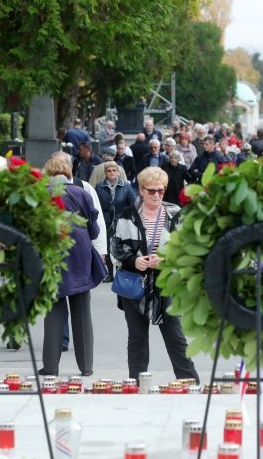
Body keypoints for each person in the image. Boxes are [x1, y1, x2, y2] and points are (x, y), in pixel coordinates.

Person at [111, 167, 200, 381]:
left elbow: (187, 247)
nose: (157, 195)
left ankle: (189, 381)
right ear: (141, 190)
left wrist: (168, 260)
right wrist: (135, 261)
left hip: (167, 282)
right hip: (135, 283)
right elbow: (116, 247)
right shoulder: (127, 215)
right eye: (151, 191)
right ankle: (138, 381)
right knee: (137, 338)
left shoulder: (175, 213)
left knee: (175, 336)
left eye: (161, 190)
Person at [39, 157, 106, 376]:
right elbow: (94, 231)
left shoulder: (41, 195)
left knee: (53, 311)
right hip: (80, 256)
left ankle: (50, 367)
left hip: (51, 256)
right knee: (82, 312)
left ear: (48, 173)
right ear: (68, 173)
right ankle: (86, 367)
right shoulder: (82, 194)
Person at [96, 161, 138, 281]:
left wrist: (129, 217)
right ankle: (110, 274)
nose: (112, 172)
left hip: (122, 220)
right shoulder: (99, 186)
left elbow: (133, 203)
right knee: (108, 247)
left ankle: (122, 271)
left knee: (122, 247)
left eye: (114, 170)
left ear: (118, 171)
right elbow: (96, 204)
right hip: (106, 221)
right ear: (105, 173)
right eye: (109, 171)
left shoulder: (126, 185)